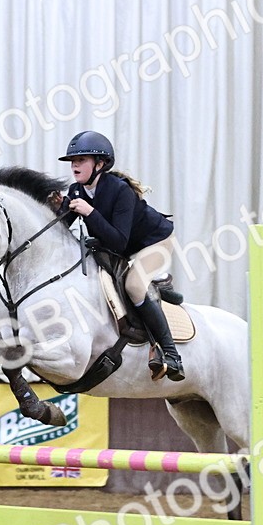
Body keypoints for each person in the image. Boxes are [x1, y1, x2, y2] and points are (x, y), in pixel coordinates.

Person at [59, 131, 183, 381]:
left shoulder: (120, 191)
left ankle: (172, 355)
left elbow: (118, 241)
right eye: (72, 161)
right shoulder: (76, 191)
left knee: (134, 285)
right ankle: (158, 288)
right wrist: (54, 208)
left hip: (156, 242)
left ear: (100, 164)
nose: (74, 165)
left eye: (81, 160)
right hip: (123, 247)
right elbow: (60, 227)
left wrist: (90, 212)